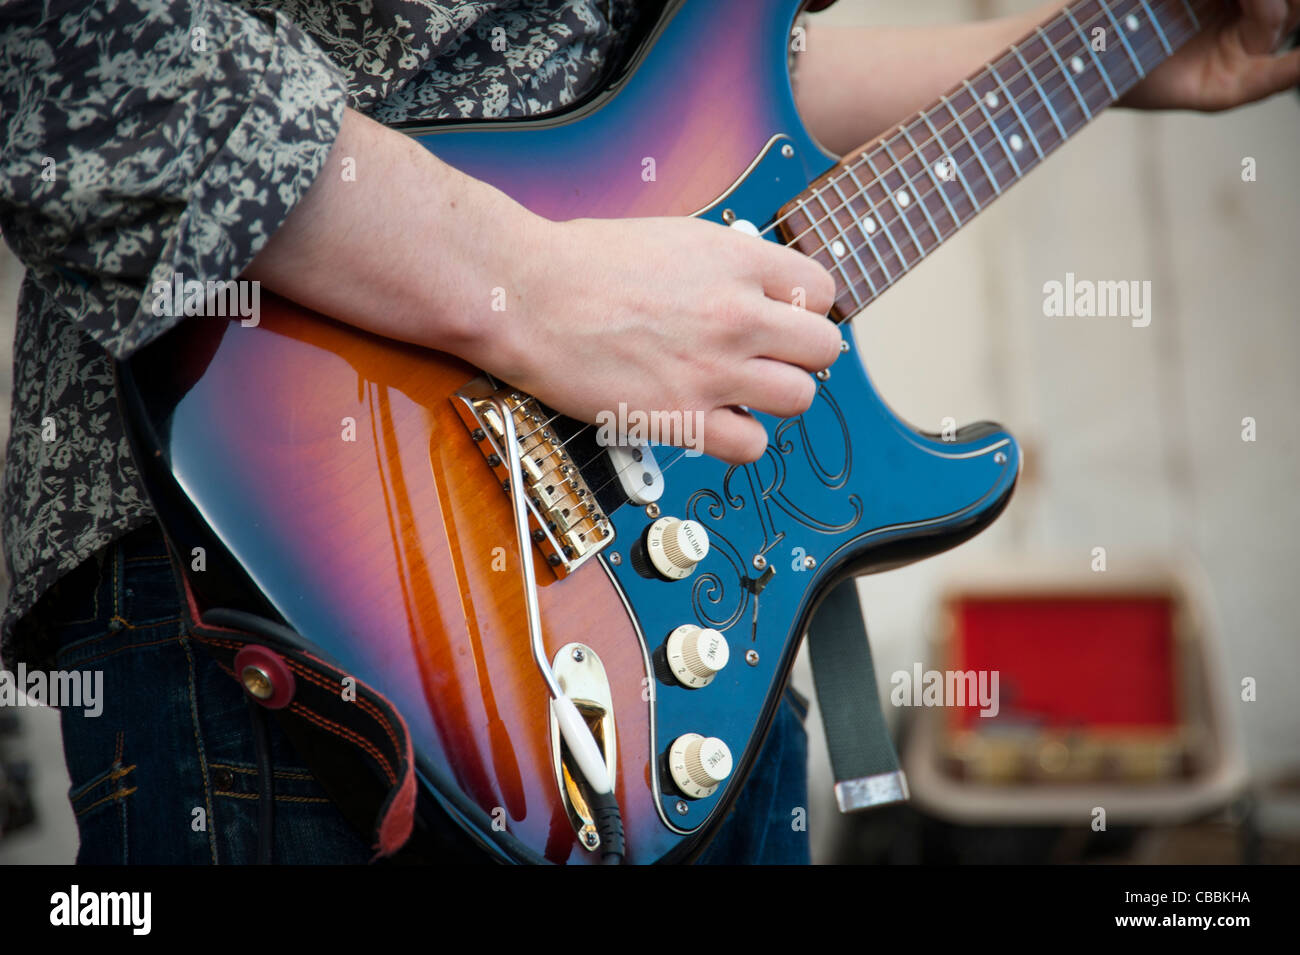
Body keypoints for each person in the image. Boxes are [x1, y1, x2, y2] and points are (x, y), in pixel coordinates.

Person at [1, 0, 1297, 864]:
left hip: (684, 640)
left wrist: (1107, 45)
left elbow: (740, 67)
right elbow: (66, 43)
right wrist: (531, 291)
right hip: (300, 543)